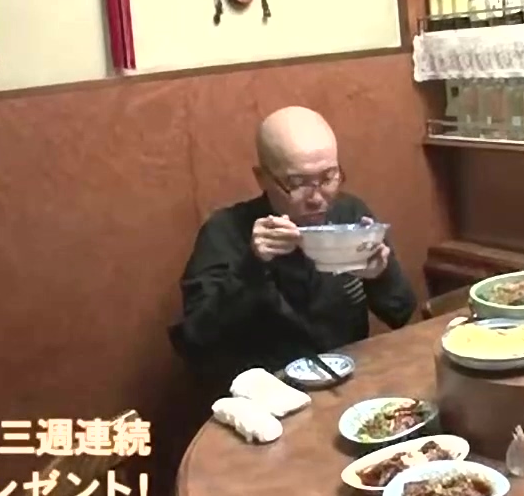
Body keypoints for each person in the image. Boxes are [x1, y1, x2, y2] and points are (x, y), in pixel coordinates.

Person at [171, 106, 417, 388]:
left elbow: (401, 312)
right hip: (271, 395)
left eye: (328, 178)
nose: (317, 199)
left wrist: (380, 276)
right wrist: (251, 267)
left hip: (346, 379)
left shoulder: (349, 216)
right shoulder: (225, 231)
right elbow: (195, 341)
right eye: (297, 183)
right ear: (262, 178)